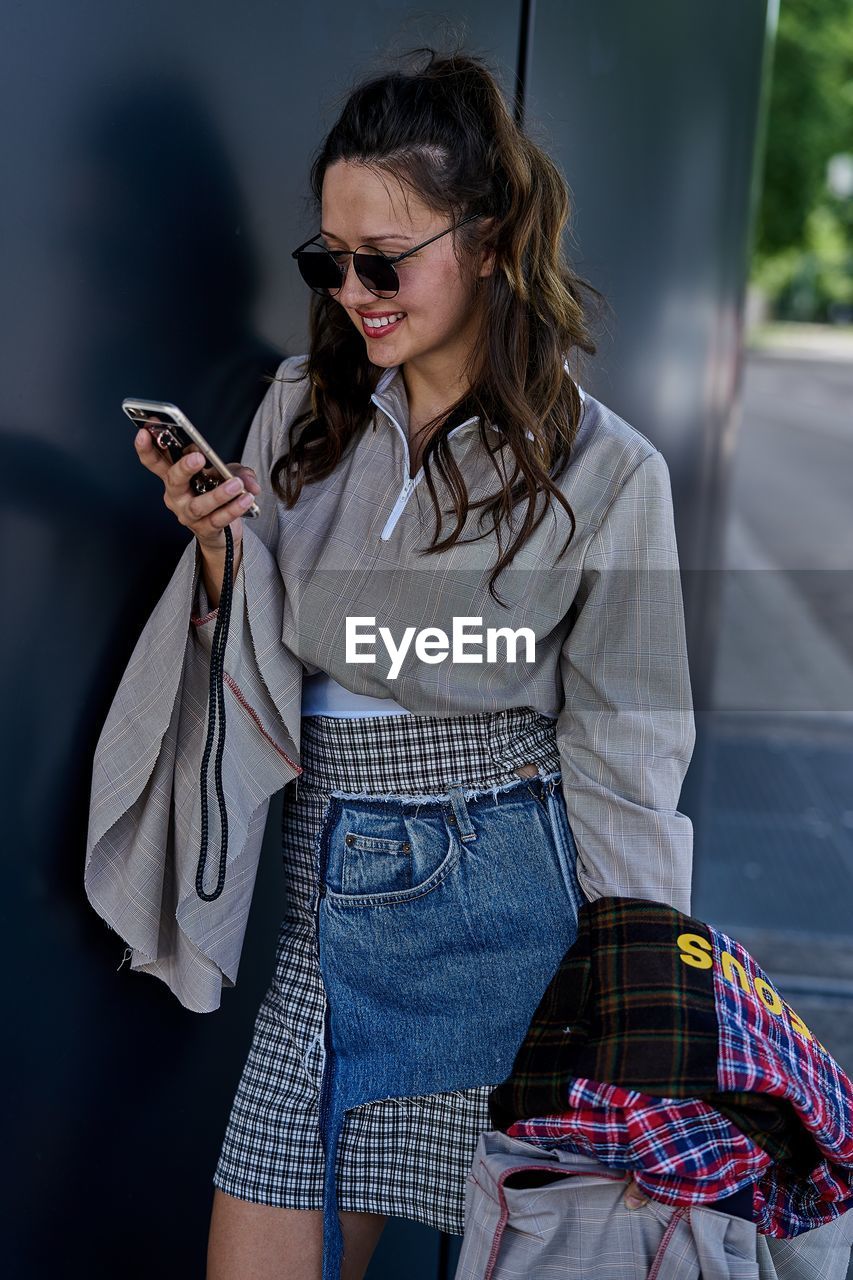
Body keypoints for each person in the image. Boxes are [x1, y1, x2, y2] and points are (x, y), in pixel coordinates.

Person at [85, 47, 696, 1280]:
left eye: (386, 257)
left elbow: (630, 756)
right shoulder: (299, 411)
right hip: (332, 896)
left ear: (486, 241)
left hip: (518, 908)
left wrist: (646, 1006)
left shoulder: (607, 469)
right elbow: (260, 655)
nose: (355, 289)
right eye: (332, 258)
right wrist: (218, 549)